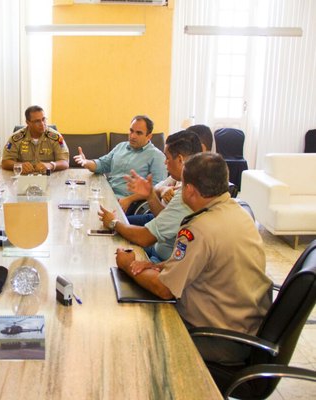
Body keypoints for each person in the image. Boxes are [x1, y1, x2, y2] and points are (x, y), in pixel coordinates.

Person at [115, 153, 272, 364]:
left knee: (133, 332)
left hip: (215, 337)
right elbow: (201, 261)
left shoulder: (200, 228)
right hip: (244, 328)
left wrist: (128, 265)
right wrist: (157, 265)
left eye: (182, 185)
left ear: (189, 190)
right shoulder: (239, 212)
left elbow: (164, 289)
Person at [99, 131, 201, 262]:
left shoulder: (186, 194)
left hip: (162, 260)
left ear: (180, 160)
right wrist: (151, 195)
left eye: (168, 158)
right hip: (157, 247)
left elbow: (145, 238)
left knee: (112, 254)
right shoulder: (186, 182)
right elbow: (164, 217)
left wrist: (114, 223)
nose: (165, 163)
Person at [73, 115, 167, 213]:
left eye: (139, 133)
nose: (133, 136)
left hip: (129, 203)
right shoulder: (121, 146)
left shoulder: (157, 156)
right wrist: (86, 162)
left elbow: (157, 189)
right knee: (75, 201)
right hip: (106, 194)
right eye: (131, 131)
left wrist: (129, 199)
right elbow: (103, 164)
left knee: (86, 213)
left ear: (149, 136)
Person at [1, 105, 69, 174]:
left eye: (43, 119)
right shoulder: (16, 139)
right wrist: (19, 165)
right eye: (37, 121)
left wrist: (51, 165)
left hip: (49, 178)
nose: (42, 124)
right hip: (23, 179)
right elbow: (5, 162)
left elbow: (65, 162)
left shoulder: (56, 137)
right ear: (28, 123)